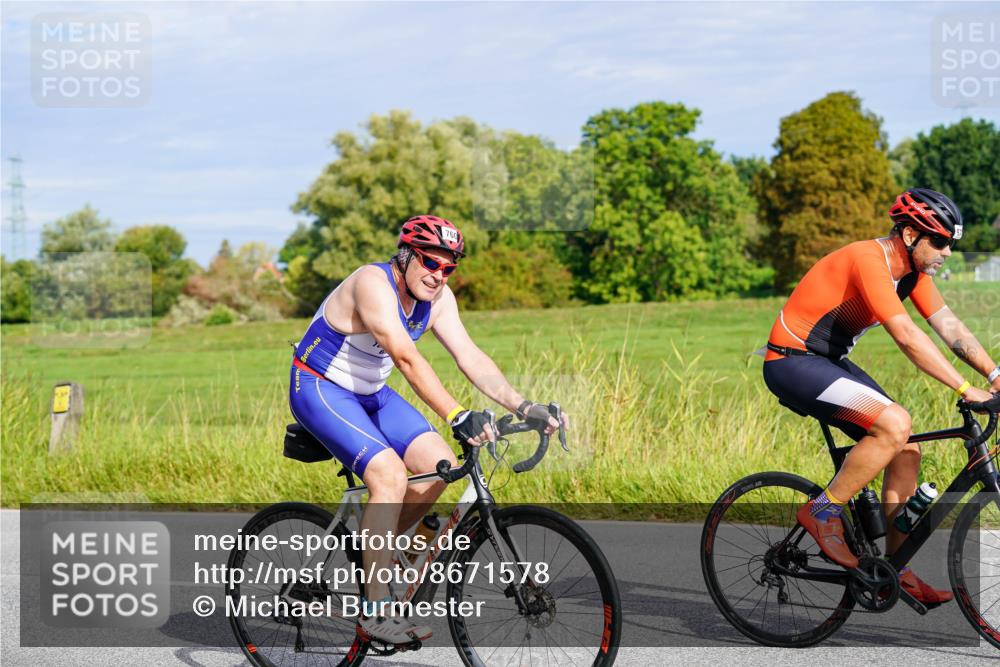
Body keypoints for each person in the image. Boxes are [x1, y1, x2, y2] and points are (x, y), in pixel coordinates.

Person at [288, 214, 566, 643]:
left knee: (440, 466)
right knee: (389, 476)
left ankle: (375, 548)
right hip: (320, 386)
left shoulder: (439, 299)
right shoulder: (372, 284)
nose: (438, 276)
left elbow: (469, 356)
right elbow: (406, 358)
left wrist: (523, 404)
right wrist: (458, 414)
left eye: (448, 268)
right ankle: (376, 611)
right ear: (406, 256)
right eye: (430, 264)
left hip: (371, 392)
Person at [762, 188, 1000, 605]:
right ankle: (823, 511)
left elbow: (950, 328)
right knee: (895, 422)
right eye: (940, 241)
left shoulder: (913, 274)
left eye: (951, 244)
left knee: (905, 450)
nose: (947, 251)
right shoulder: (868, 260)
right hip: (790, 361)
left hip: (827, 361)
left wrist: (995, 374)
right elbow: (907, 336)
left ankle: (896, 566)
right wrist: (965, 389)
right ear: (910, 235)